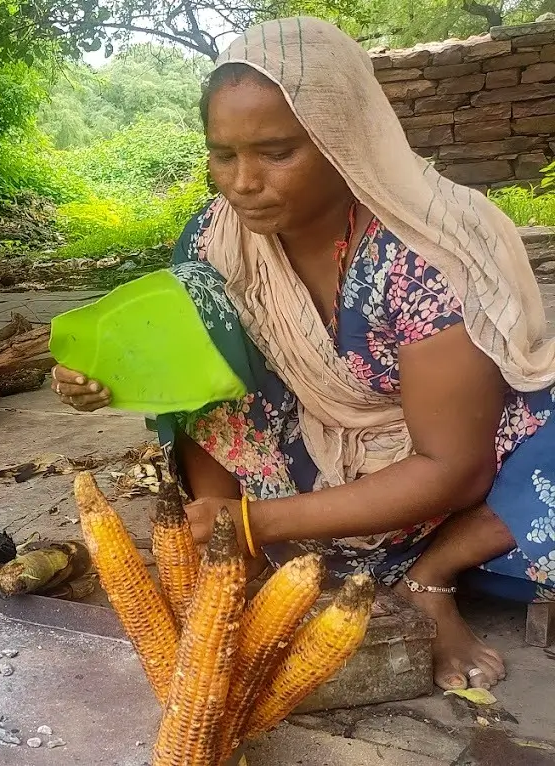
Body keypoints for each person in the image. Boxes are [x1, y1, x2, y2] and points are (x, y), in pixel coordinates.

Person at [54, 17, 555, 694]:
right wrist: (106, 381)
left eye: (276, 152)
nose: (242, 182)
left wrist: (257, 521)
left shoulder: (430, 250)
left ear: (342, 139)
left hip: (459, 463)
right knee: (193, 340)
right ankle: (234, 559)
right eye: (223, 154)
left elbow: (455, 468)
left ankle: (430, 575)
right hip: (313, 453)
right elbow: (187, 377)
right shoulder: (217, 239)